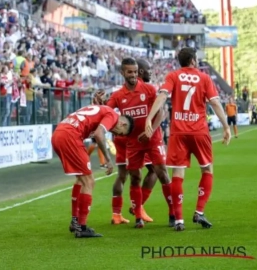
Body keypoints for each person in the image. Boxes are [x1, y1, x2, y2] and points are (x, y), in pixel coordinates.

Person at [145, 47, 231, 231]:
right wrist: (226, 126)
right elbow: (215, 102)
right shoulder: (204, 77)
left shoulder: (173, 76)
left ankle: (179, 220)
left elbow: (162, 96)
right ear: (192, 60)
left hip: (178, 132)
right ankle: (199, 211)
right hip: (199, 131)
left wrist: (149, 118)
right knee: (207, 169)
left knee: (177, 173)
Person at [100, 58, 173, 228]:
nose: (133, 75)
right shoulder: (118, 95)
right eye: (129, 72)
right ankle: (138, 217)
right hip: (132, 143)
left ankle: (173, 213)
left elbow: (161, 112)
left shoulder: (148, 89)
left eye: (134, 72)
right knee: (135, 177)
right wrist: (100, 104)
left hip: (153, 139)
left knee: (162, 173)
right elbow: (106, 113)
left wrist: (151, 130)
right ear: (122, 73)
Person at [51, 104, 134, 238]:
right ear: (123, 124)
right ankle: (82, 227)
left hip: (58, 133)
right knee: (89, 182)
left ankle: (75, 221)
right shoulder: (113, 115)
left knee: (81, 179)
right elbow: (99, 134)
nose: (116, 135)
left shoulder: (104, 110)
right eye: (120, 133)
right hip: (70, 135)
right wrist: (108, 159)